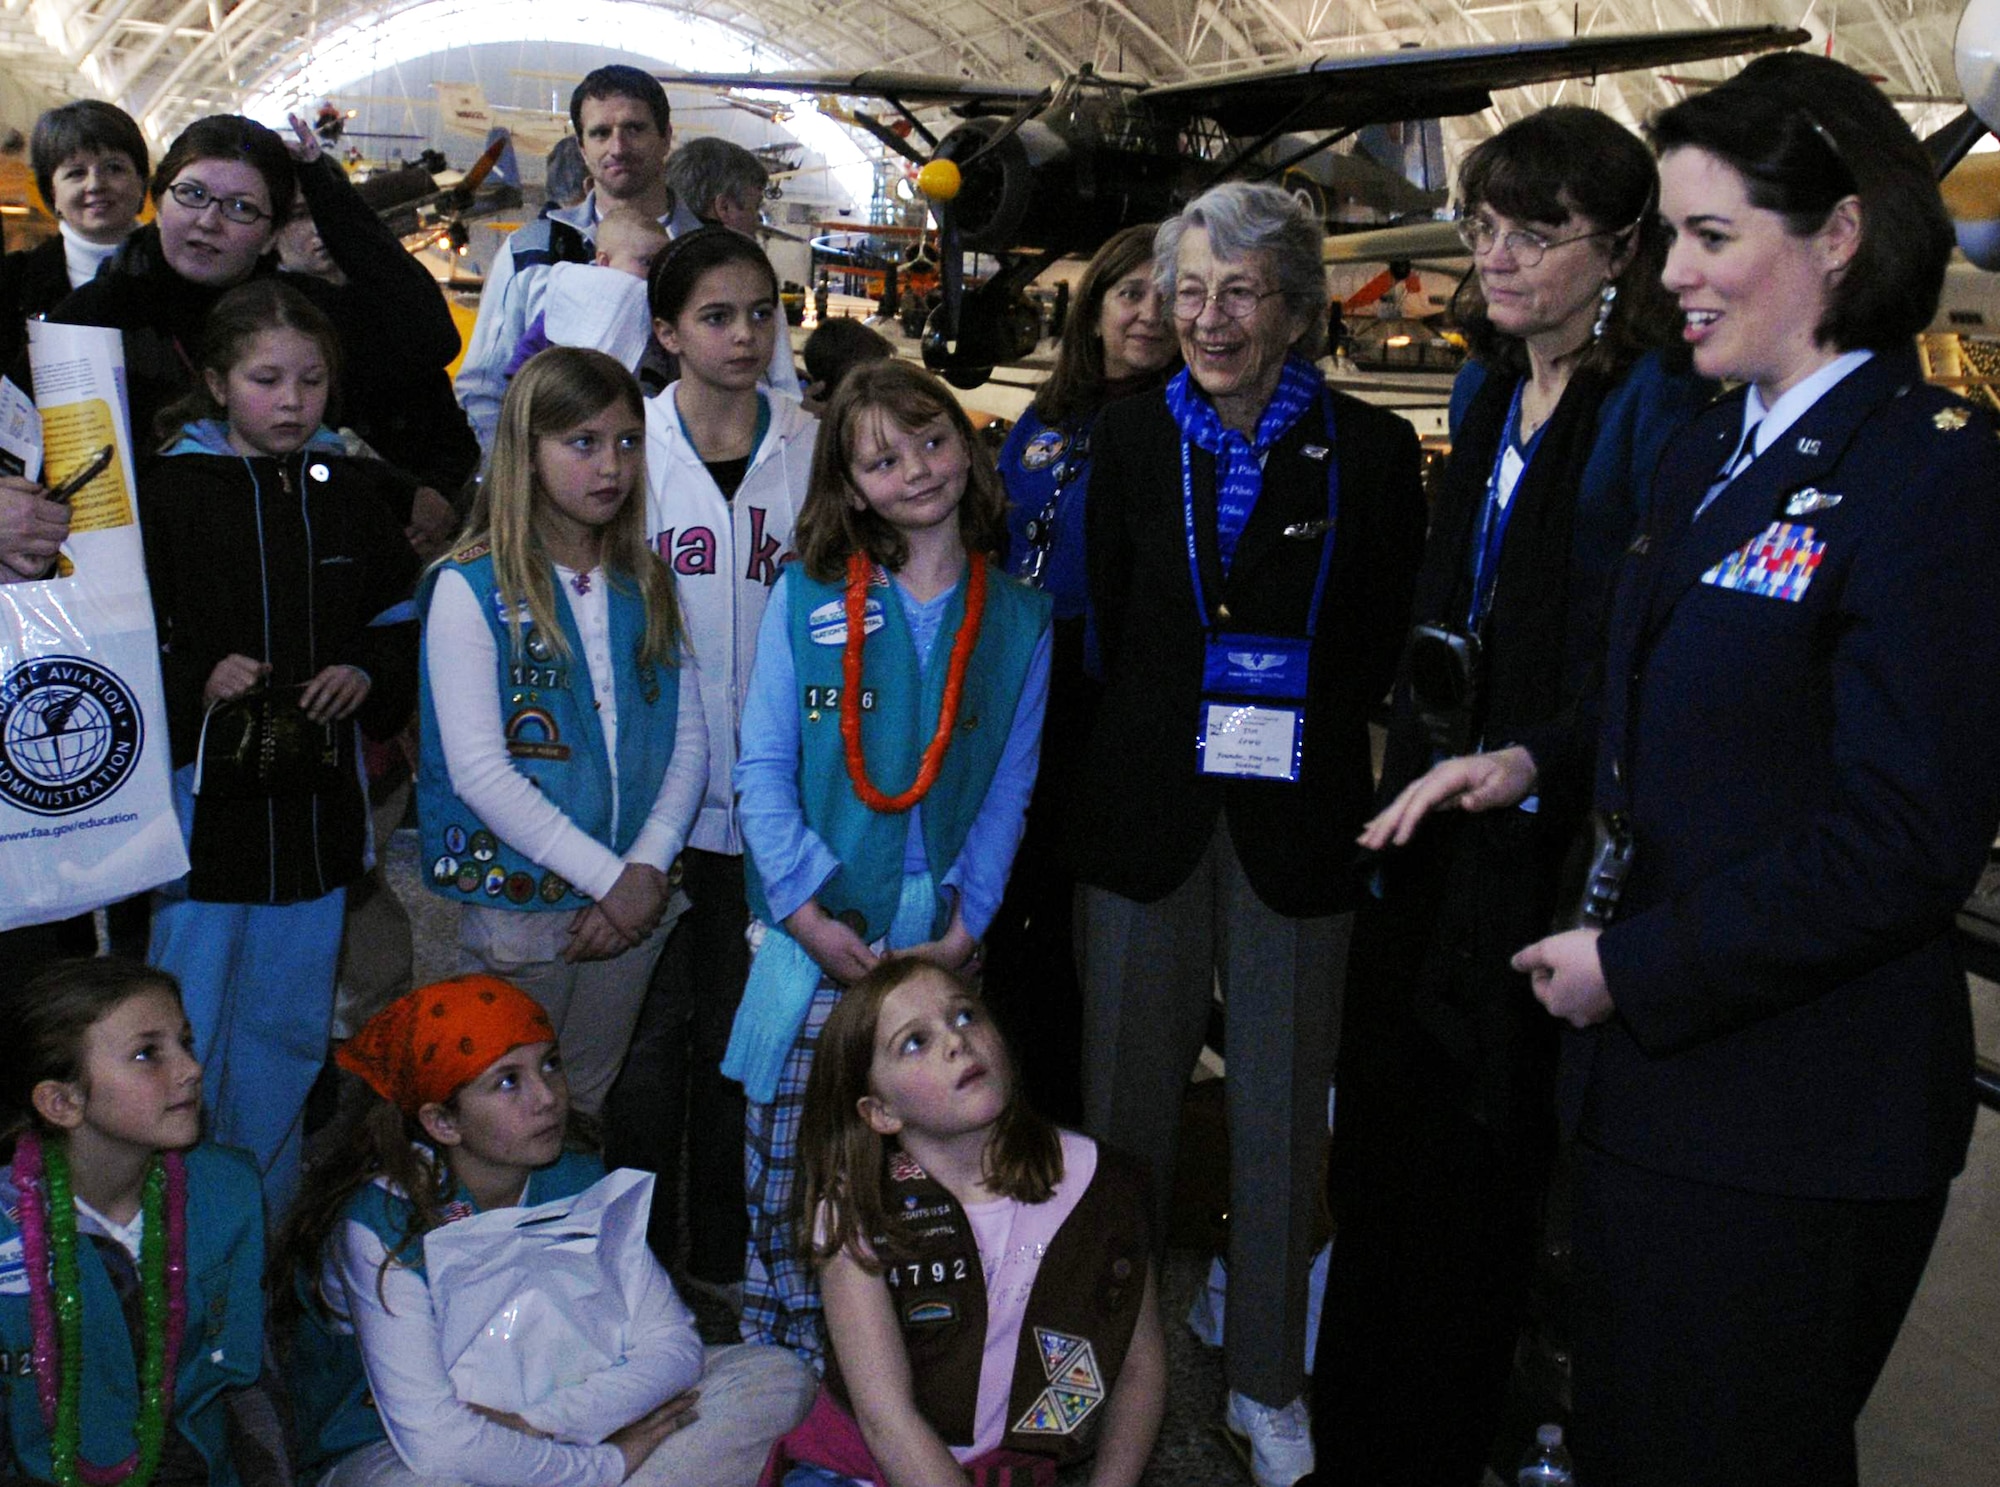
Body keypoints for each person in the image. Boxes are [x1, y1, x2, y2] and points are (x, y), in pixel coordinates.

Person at [1377, 52, 2000, 1485]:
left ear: (1840, 236)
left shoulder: (1932, 474)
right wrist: (1529, 758)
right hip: (1662, 1093)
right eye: (1670, 238)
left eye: (1713, 236)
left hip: (1795, 1115)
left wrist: (1640, 968)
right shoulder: (1711, 445)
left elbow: (1906, 837)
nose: (1676, 275)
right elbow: (1655, 698)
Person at [1308, 105, 1708, 1487]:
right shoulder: (1487, 393)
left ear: (1622, 251)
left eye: (1539, 233)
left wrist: (1540, 754)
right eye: (1485, 226)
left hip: (1546, 840)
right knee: (1392, 1151)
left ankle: (1446, 1437)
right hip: (1436, 815)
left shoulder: (1649, 409)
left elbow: (1635, 646)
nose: (1498, 256)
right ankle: (1364, 1431)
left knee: (1486, 1181)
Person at [1068, 181, 1426, 1487]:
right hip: (1147, 812)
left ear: (1295, 308)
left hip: (1296, 822)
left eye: (1243, 292)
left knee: (1279, 1117)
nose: (1211, 319)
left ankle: (1268, 1376)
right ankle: (1093, 1360)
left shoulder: (1372, 455)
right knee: (1121, 1115)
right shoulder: (1122, 443)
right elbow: (1106, 625)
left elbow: (1377, 640)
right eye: (1193, 291)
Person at [725, 358, 1052, 1360]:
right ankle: (782, 1354)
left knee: (925, 1171)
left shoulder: (1019, 616)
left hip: (939, 942)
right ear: (848, 481)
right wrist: (806, 911)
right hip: (818, 936)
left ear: (967, 444)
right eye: (880, 457)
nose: (914, 469)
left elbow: (1008, 784)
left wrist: (969, 924)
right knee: (792, 1162)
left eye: (931, 440)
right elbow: (762, 766)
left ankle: (919, 1365)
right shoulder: (805, 594)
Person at [276, 973, 816, 1487]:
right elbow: (436, 1442)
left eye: (550, 1064)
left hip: (569, 1402)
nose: (547, 1096)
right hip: (399, 1451)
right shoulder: (380, 1227)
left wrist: (545, 1426)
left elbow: (672, 1344)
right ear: (442, 1122)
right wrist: (603, 1467)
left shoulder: (574, 1173)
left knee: (774, 1377)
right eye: (508, 1081)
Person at [143, 279, 420, 1214]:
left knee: (289, 1036)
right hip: (198, 827)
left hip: (312, 824)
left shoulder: (348, 491)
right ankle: (165, 1237)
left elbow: (400, 614)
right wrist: (195, 679)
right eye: (266, 379)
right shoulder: (166, 491)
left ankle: (251, 1243)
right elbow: (117, 642)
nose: (292, 401)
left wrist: (367, 673)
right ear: (218, 382)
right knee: (182, 1036)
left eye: (310, 380)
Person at [606, 226, 816, 1294]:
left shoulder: (815, 448)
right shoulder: (625, 449)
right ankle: (634, 1268)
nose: (744, 335)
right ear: (666, 330)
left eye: (761, 311)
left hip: (778, 811)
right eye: (716, 315)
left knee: (750, 1047)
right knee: (643, 1056)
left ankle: (731, 1263)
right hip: (651, 809)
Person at [417, 347, 705, 1120]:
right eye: (582, 442)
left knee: (584, 1104)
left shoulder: (648, 580)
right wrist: (610, 881)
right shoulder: (471, 585)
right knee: (506, 1114)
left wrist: (643, 868)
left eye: (627, 440)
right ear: (528, 453)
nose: (610, 464)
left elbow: (687, 738)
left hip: (636, 896)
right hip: (524, 905)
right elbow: (481, 770)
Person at [758, 958, 1166, 1487]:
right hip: (861, 1468)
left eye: (966, 1015)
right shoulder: (856, 1208)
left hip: (1007, 1470)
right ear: (881, 1112)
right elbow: (887, 1421)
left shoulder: (1103, 1185)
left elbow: (1139, 1370)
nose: (956, 1041)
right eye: (914, 1042)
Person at [985, 222, 1176, 1123]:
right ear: (1093, 306)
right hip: (1008, 683)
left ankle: (1061, 1129)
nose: (1147, 313)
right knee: (1002, 908)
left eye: (1169, 294)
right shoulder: (1047, 414)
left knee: (1069, 929)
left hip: (1098, 700)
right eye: (1128, 291)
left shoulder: (1182, 425)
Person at [0, 958, 273, 1487]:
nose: (191, 1069)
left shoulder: (226, 1192)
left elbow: (251, 1386)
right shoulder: (10, 1229)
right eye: (148, 1054)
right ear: (62, 1101)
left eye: (185, 1042)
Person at [455, 66, 797, 450]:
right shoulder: (532, 252)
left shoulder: (727, 256)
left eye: (634, 129)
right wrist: (512, 480)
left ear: (666, 138)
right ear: (583, 149)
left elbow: (778, 388)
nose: (617, 147)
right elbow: (485, 388)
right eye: (600, 133)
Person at [275, 116, 480, 499]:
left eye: (326, 209)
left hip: (446, 491)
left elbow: (439, 342)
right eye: (300, 215)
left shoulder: (386, 283)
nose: (319, 227)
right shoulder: (273, 310)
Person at [0, 100, 148, 370]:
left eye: (114, 168)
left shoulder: (182, 271)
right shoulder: (11, 283)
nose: (95, 185)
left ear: (141, 181)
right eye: (76, 173)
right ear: (52, 192)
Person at [502, 208, 670, 382]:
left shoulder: (655, 301)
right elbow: (538, 337)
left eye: (662, 264)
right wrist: (519, 374)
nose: (656, 272)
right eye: (647, 262)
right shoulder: (572, 291)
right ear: (604, 262)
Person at [664, 137, 769, 236]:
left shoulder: (658, 244)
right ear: (724, 207)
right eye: (756, 207)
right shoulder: (729, 254)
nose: (757, 223)